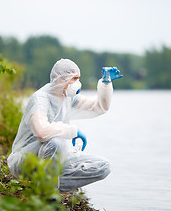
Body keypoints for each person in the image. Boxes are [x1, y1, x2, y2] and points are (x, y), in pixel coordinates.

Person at [7, 58, 122, 192]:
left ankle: (47, 183)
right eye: (74, 79)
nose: (78, 83)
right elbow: (41, 131)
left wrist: (105, 84)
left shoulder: (68, 98)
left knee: (102, 166)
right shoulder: (40, 99)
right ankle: (47, 194)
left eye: (78, 78)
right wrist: (72, 131)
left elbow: (98, 107)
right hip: (25, 160)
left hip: (53, 159)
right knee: (55, 142)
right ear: (61, 79)